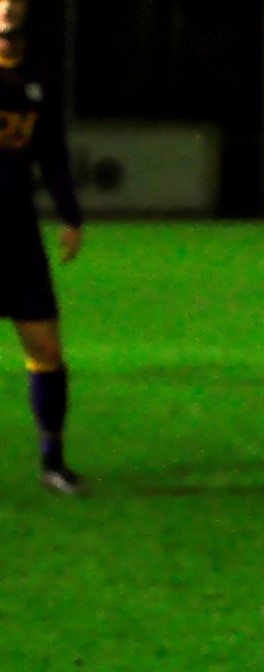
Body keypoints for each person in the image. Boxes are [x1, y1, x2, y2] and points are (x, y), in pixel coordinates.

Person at [0, 0, 83, 495]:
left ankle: (53, 462)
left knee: (46, 348)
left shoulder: (39, 80)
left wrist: (70, 214)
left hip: (16, 235)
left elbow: (51, 152)